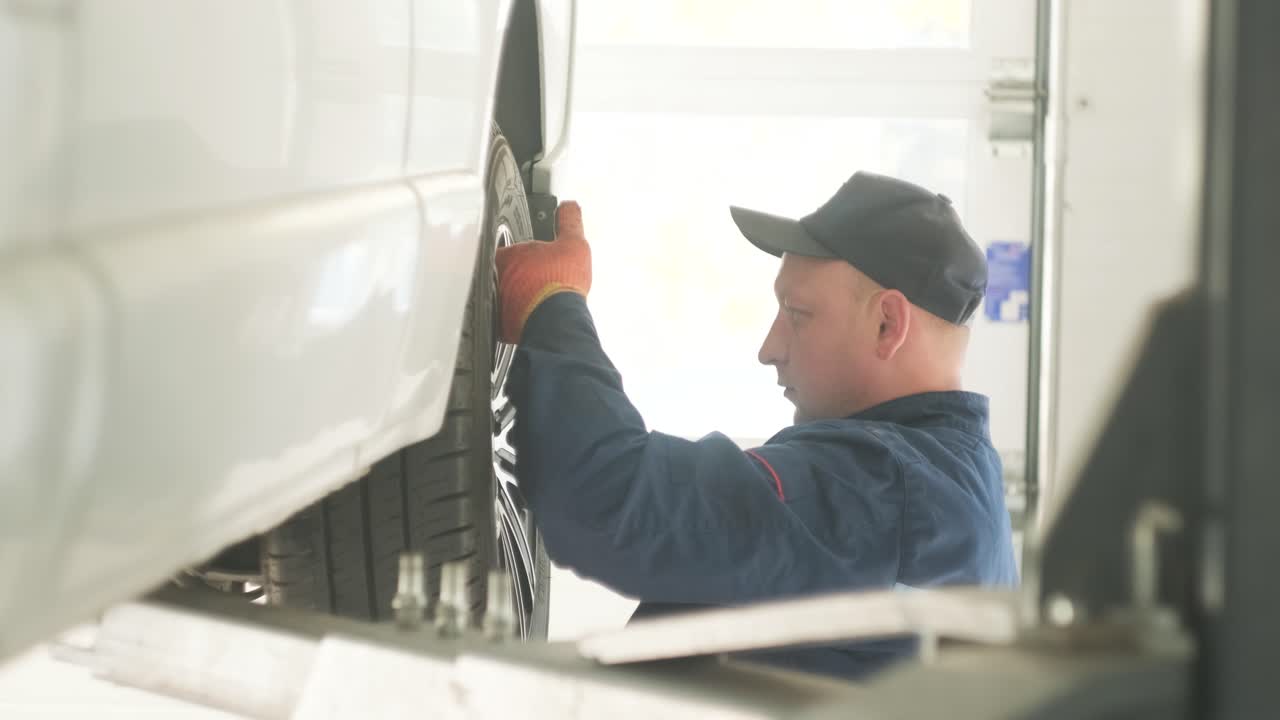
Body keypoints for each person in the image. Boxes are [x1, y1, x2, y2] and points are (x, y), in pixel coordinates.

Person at [496, 171, 1018, 679]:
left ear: (888, 324)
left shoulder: (885, 493)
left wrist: (554, 307)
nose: (769, 350)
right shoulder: (956, 493)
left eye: (797, 313)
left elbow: (606, 496)